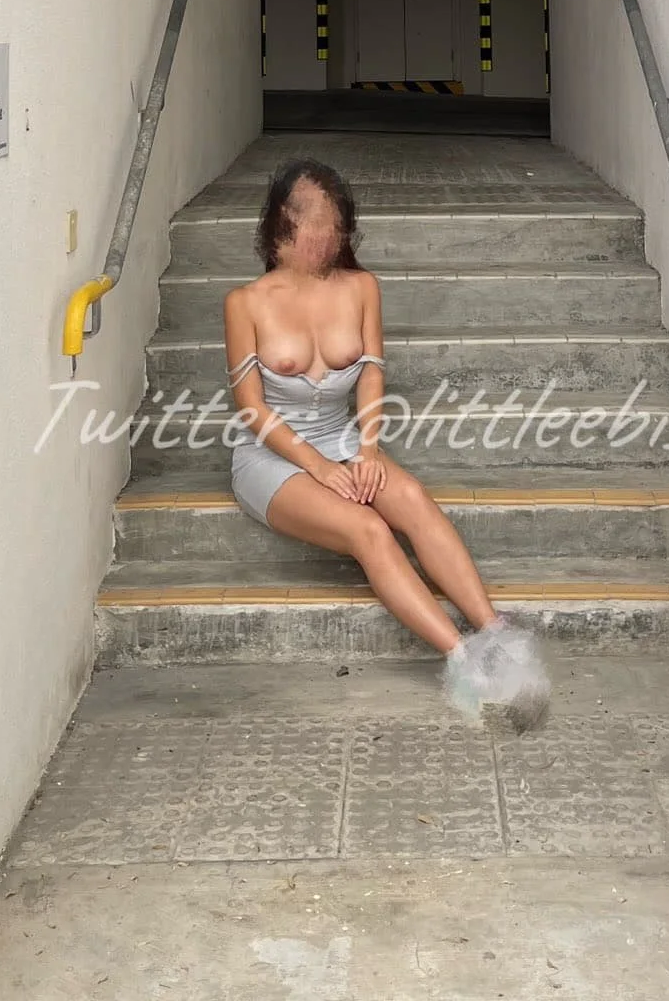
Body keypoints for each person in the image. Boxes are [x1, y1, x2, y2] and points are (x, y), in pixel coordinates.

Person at [224, 157, 548, 727]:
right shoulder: (245, 303)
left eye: (336, 225)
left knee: (412, 500)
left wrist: (367, 449)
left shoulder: (362, 287)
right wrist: (319, 468)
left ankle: (496, 634)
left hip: (345, 440)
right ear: (282, 226)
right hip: (273, 457)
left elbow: (371, 373)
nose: (329, 239)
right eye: (315, 225)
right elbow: (252, 408)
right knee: (368, 530)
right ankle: (461, 658)